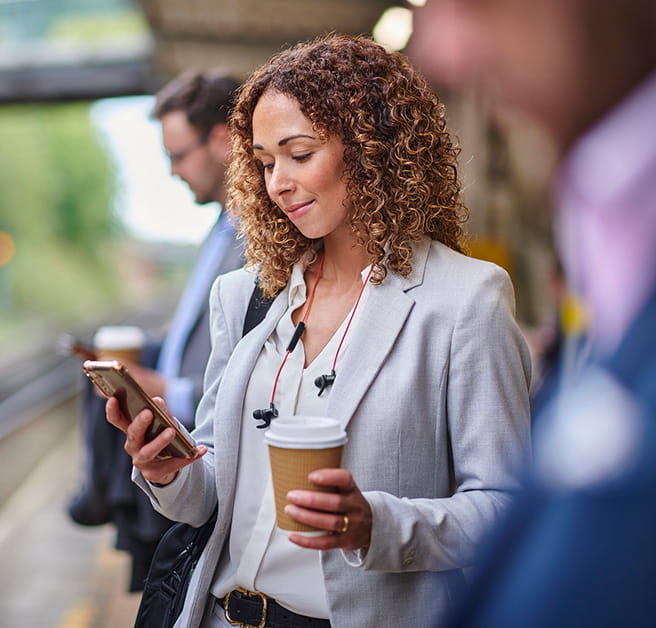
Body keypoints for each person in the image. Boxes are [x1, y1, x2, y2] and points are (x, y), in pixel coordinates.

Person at [106, 35, 532, 627]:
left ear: (370, 148)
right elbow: (207, 497)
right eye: (263, 161)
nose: (277, 182)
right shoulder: (246, 295)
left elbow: (507, 512)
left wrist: (373, 525)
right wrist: (167, 470)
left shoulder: (465, 300)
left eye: (298, 153)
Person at [411, 1, 656, 626]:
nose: (443, 53)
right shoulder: (608, 234)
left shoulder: (472, 294)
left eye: (475, 2)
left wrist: (376, 524)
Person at [68, 71, 245, 592]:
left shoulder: (256, 238)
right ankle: (100, 492)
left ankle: (98, 494)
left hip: (205, 452)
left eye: (179, 154)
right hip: (182, 457)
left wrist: (172, 389)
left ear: (222, 140)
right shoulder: (220, 229)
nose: (171, 171)